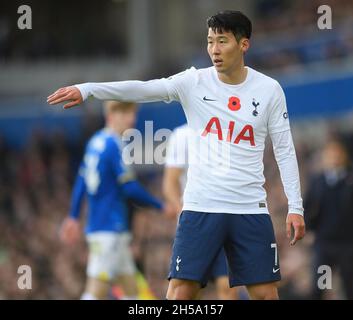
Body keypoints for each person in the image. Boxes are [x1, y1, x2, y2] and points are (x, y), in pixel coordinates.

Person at [48, 10, 305, 300]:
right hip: (200, 207)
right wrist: (88, 90)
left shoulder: (269, 90)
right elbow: (143, 89)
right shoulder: (193, 82)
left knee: (266, 295)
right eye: (210, 42)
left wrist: (296, 205)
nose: (214, 50)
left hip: (250, 209)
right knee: (181, 293)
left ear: (243, 45)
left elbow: (284, 149)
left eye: (222, 42)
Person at [60, 100, 167, 300]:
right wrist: (161, 206)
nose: (132, 120)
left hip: (107, 228)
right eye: (128, 114)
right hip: (108, 229)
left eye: (133, 114)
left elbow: (81, 180)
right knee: (96, 290)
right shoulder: (114, 144)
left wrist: (73, 216)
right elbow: (129, 187)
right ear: (113, 115)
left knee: (131, 290)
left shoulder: (95, 142)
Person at [163, 123, 239, 300]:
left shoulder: (226, 132)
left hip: (222, 220)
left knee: (227, 286)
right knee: (188, 290)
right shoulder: (182, 135)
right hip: (195, 224)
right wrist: (181, 212)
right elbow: (169, 183)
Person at [305, 139, 353, 299]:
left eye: (337, 152)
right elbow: (308, 206)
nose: (333, 156)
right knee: (320, 286)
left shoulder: (350, 180)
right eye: (330, 153)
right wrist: (309, 230)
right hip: (325, 244)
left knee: (349, 286)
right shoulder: (317, 181)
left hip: (348, 244)